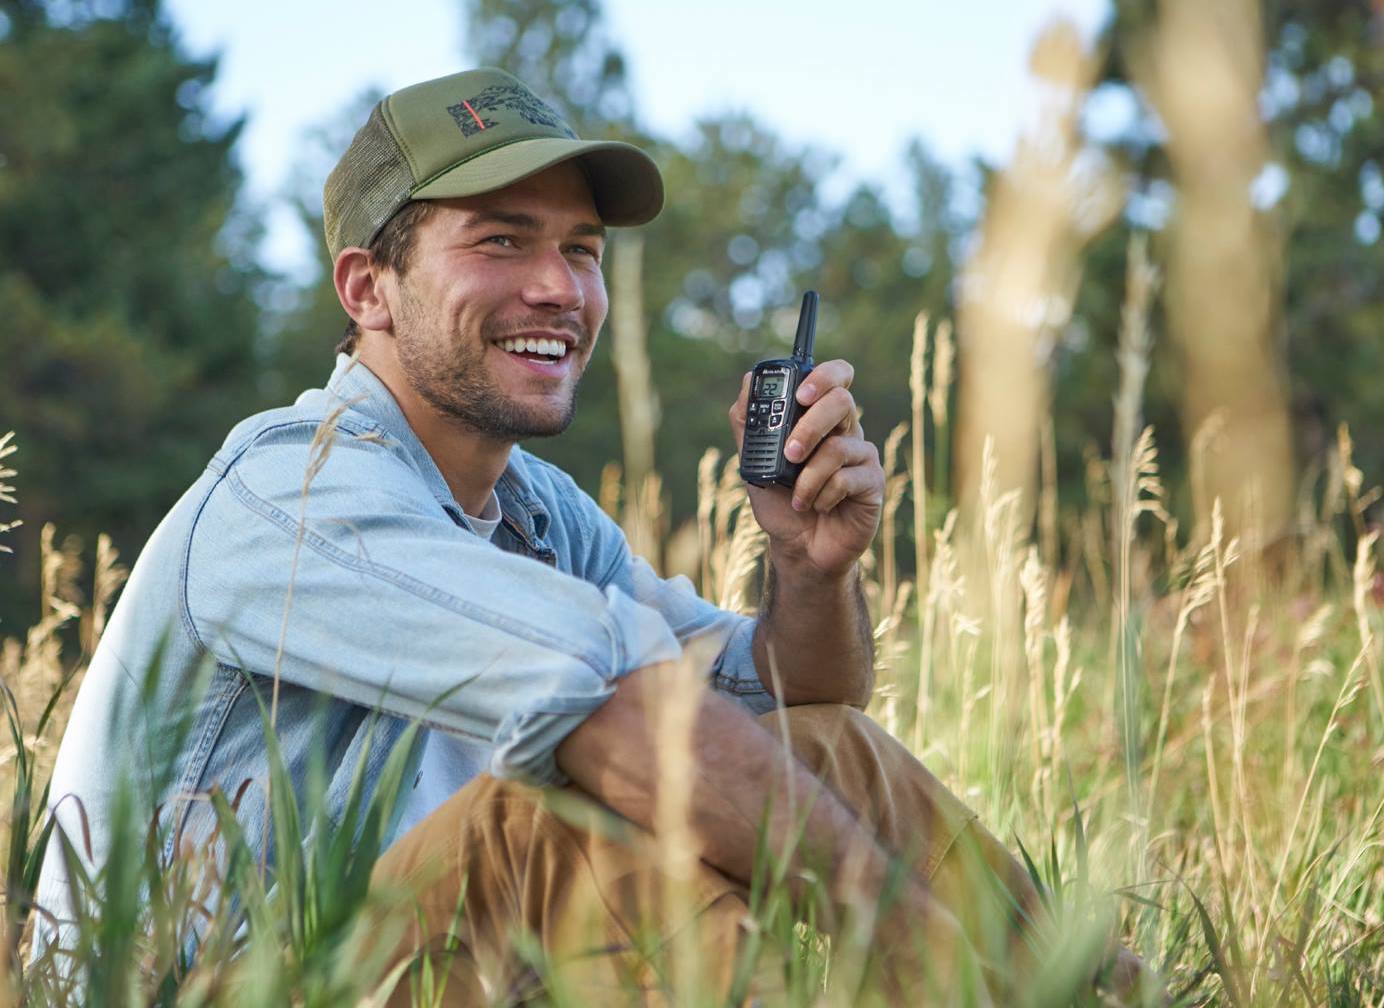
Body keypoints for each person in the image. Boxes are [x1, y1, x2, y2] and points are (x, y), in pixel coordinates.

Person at [34, 68, 1140, 1005]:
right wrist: (913, 940)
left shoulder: (539, 511)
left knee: (824, 755)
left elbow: (785, 699)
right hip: (208, 979)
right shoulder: (288, 487)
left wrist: (809, 567)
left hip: (400, 964)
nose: (557, 288)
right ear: (368, 288)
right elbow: (620, 709)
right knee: (543, 829)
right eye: (501, 241)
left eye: (582, 250)